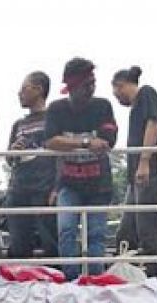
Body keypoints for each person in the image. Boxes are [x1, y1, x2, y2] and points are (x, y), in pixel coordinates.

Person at [45, 57, 118, 280]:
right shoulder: (57, 108)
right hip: (68, 182)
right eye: (86, 83)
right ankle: (71, 279)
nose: (91, 88)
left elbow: (108, 140)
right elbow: (50, 142)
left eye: (93, 82)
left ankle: (95, 280)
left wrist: (69, 143)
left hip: (99, 185)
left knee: (96, 234)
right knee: (66, 229)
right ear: (73, 86)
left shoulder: (102, 105)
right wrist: (85, 143)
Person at [112, 66, 157, 268]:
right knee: (127, 230)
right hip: (136, 177)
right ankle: (127, 269)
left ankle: (156, 272)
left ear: (122, 86)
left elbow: (153, 123)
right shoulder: (137, 106)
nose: (117, 97)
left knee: (147, 225)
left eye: (116, 91)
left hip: (150, 171)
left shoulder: (146, 93)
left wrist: (145, 160)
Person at [5, 71, 58, 260]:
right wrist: (13, 151)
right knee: (18, 241)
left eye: (23, 88)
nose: (19, 93)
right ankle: (21, 281)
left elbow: (62, 155)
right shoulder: (18, 124)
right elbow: (8, 159)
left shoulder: (54, 118)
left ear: (38, 89)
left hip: (45, 187)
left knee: (50, 239)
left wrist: (57, 186)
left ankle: (55, 281)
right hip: (18, 187)